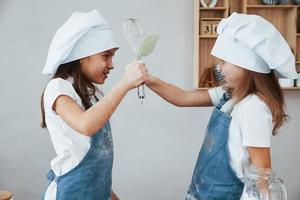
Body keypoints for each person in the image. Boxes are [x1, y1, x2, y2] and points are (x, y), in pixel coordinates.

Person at [145, 13, 297, 200]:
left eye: (224, 62)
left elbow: (262, 170)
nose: (219, 67)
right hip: (202, 191)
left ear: (246, 67)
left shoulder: (253, 108)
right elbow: (182, 98)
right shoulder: (229, 95)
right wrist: (147, 80)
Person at [40, 10, 147, 200]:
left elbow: (96, 165)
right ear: (82, 55)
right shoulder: (58, 88)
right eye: (106, 56)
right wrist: (124, 83)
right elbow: (86, 125)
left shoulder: (93, 93)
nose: (112, 65)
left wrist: (109, 195)